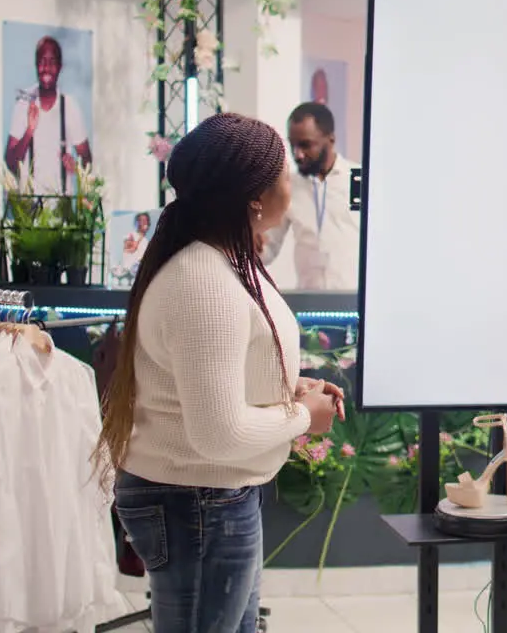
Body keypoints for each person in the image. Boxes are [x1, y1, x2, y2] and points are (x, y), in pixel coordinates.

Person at [92, 113, 344, 632]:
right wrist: (301, 415)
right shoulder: (204, 282)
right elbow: (218, 433)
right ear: (253, 197)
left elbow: (210, 379)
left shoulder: (219, 264)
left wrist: (283, 389)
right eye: (280, 171)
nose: (289, 180)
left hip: (209, 497)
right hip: (198, 501)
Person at [258, 102, 360, 290]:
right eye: (293, 145)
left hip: (354, 302)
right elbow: (267, 249)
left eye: (305, 145)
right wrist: (251, 242)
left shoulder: (359, 180)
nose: (298, 155)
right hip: (309, 302)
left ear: (330, 139)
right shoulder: (288, 186)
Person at [5, 36, 92, 195]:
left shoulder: (70, 106)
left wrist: (77, 169)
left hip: (62, 207)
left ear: (59, 67)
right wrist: (29, 132)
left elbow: (87, 159)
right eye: (42, 61)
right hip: (29, 210)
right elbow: (10, 162)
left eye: (52, 62)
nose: (46, 68)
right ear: (36, 65)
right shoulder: (24, 105)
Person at [122, 211, 152, 276]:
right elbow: (132, 249)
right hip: (129, 272)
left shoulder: (146, 240)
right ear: (137, 223)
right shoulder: (130, 236)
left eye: (146, 221)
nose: (145, 223)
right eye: (142, 220)